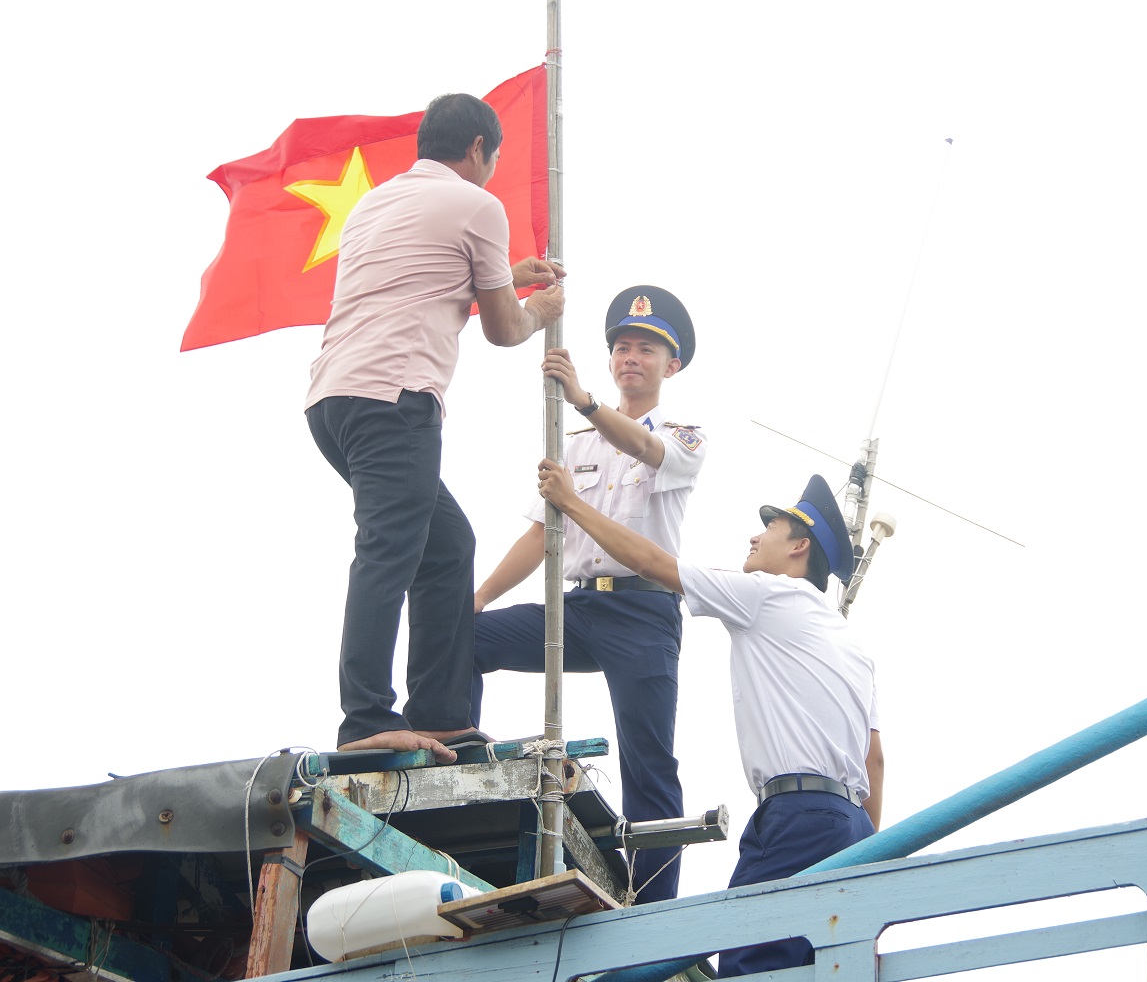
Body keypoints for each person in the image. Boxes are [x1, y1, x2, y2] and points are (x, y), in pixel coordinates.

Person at [536, 465, 884, 975]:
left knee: (748, 960)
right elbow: (875, 760)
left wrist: (571, 503)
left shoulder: (769, 594)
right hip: (855, 827)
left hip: (798, 814)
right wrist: (872, 852)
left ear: (799, 546)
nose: (754, 537)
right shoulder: (854, 646)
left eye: (770, 527)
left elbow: (652, 564)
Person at [304, 92, 566, 761]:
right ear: (478, 148)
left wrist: (509, 275)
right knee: (390, 550)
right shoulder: (477, 205)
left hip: (335, 402)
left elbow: (423, 282)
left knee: (446, 545)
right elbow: (505, 328)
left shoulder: (374, 203)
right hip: (394, 399)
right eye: (493, 158)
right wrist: (541, 308)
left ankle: (441, 714)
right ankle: (365, 719)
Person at [472, 285, 703, 904]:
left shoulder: (684, 436)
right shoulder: (573, 444)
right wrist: (482, 595)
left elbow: (644, 447)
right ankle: (459, 760)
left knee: (648, 760)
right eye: (623, 347)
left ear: (672, 365)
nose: (632, 357)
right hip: (579, 607)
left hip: (644, 612)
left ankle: (652, 905)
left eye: (647, 349)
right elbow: (540, 535)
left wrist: (585, 399)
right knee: (464, 638)